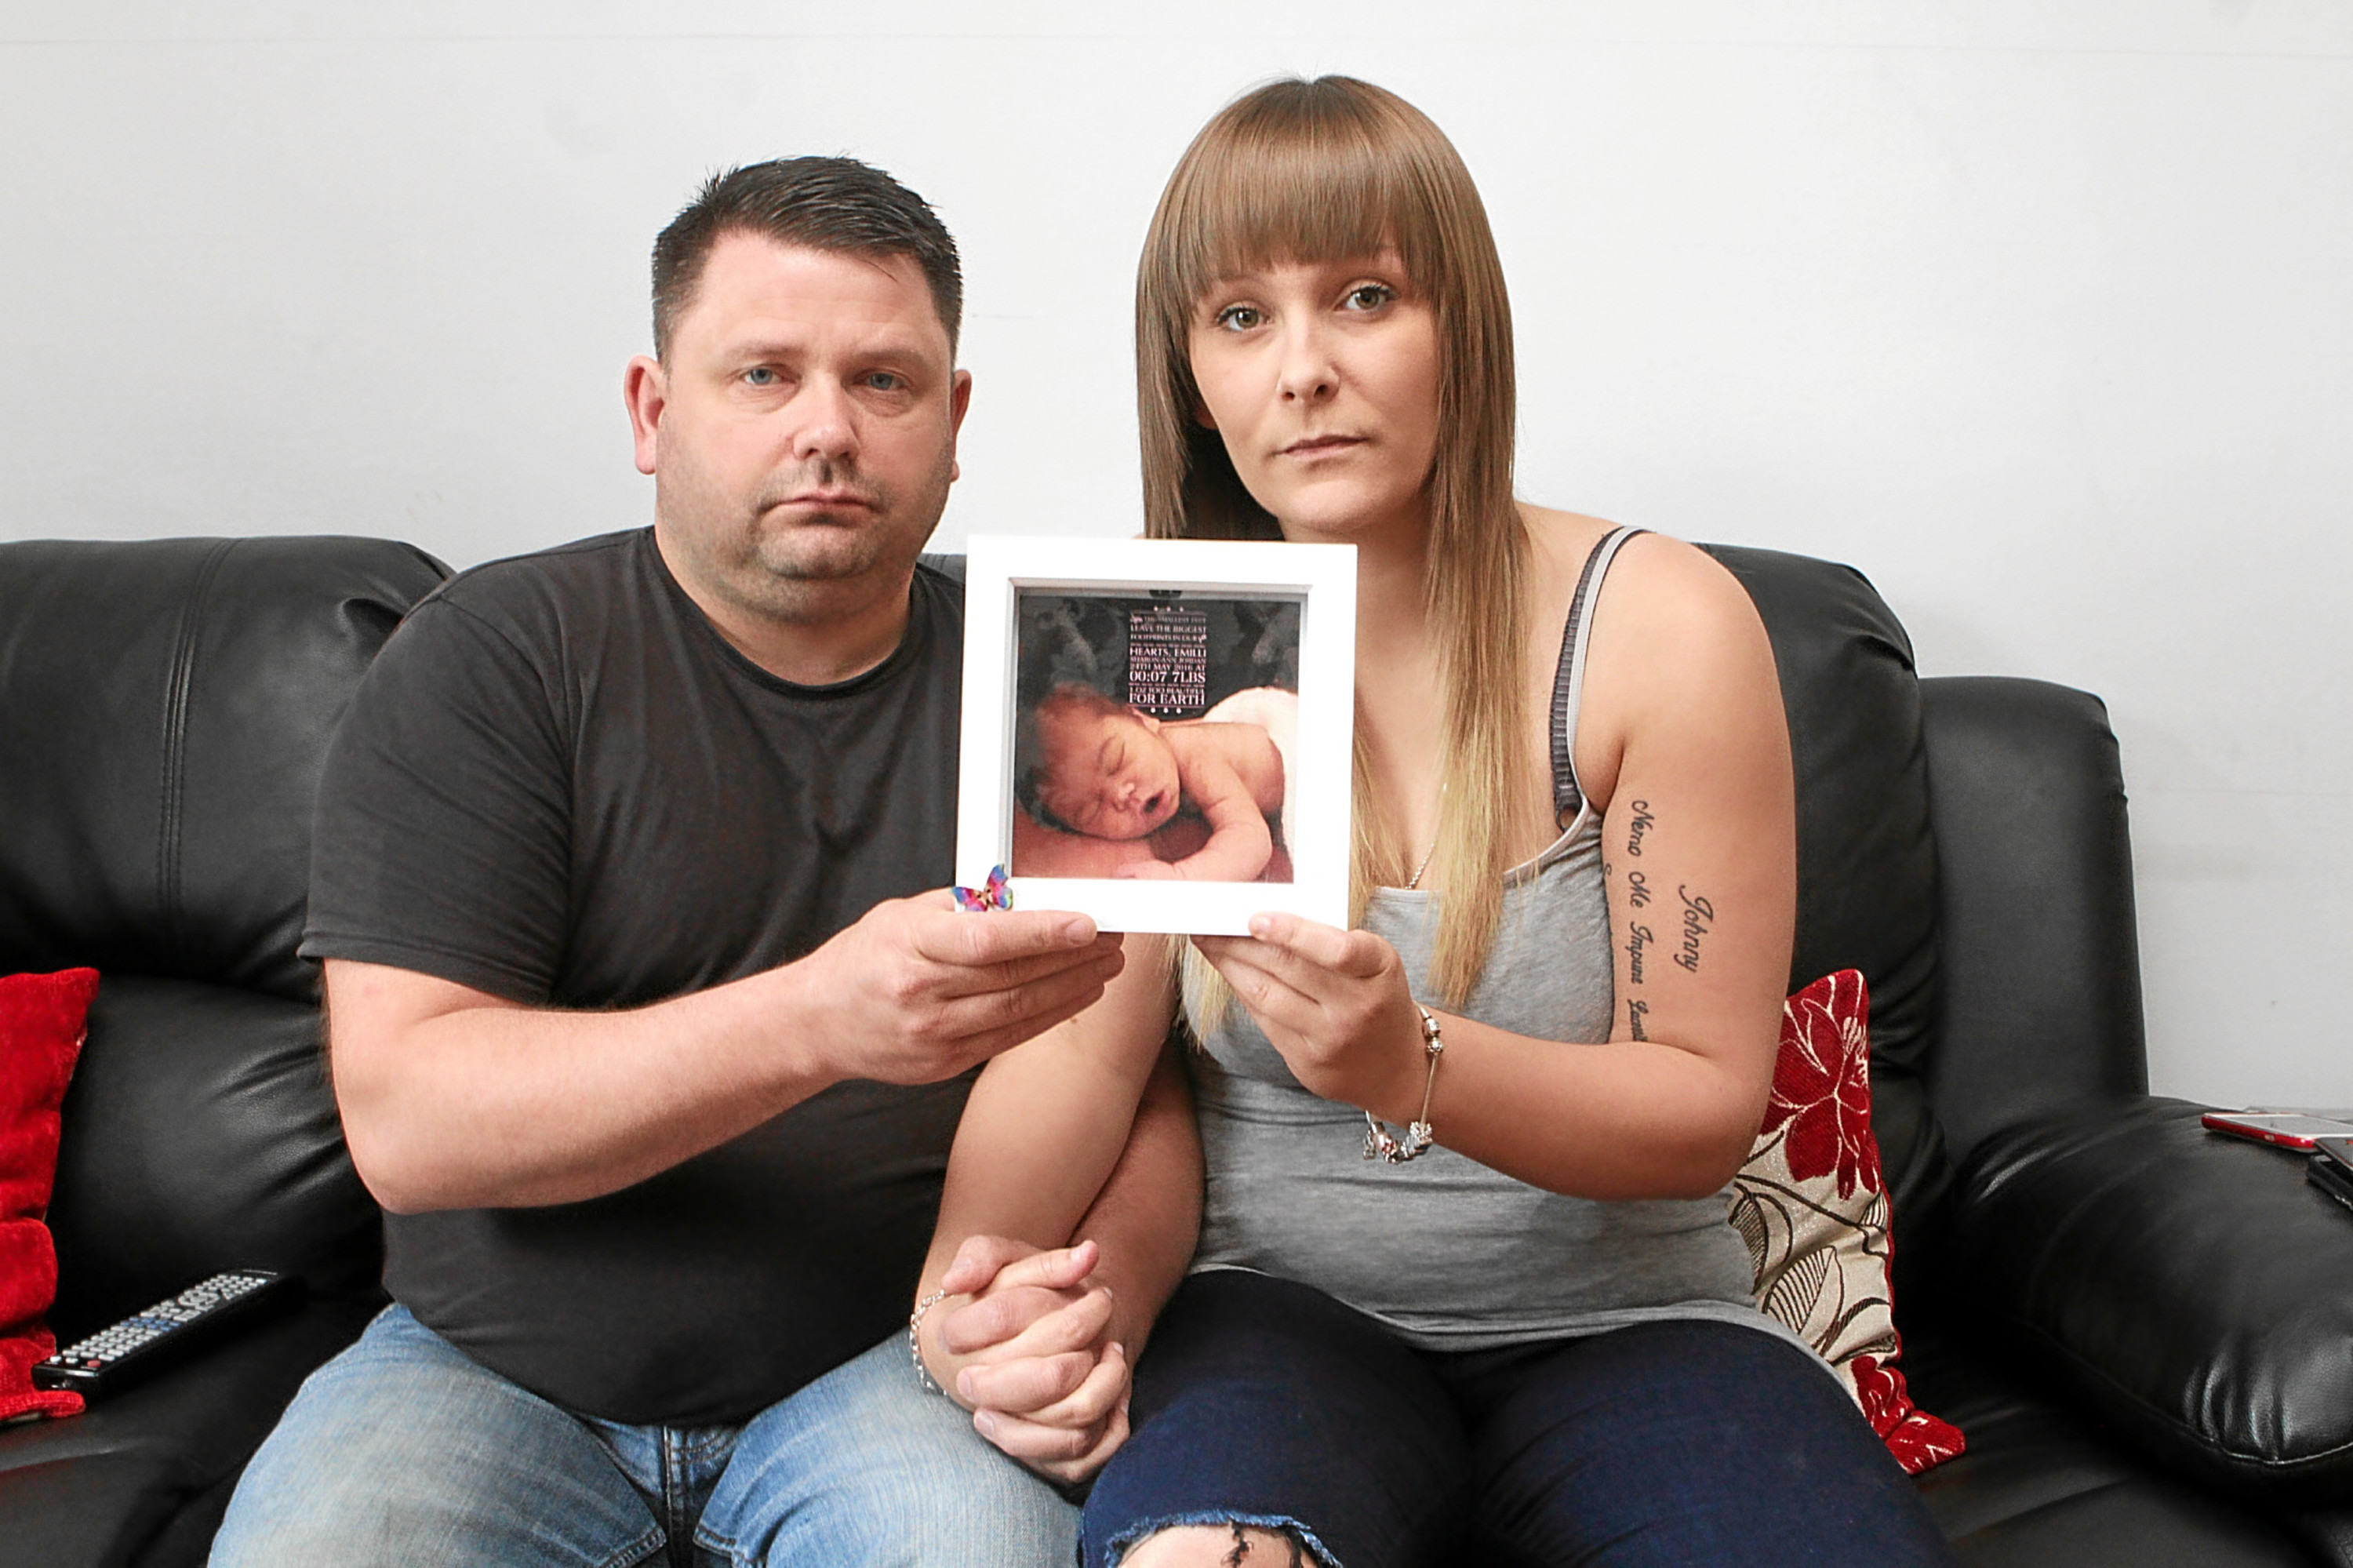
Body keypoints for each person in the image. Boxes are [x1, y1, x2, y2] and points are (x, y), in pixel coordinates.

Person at [918, 79, 1958, 1566]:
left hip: (1638, 1321)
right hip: (1278, 1320)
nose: (1305, 371)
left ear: (1461, 322)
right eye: (1239, 317)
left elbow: (1705, 1105)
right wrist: (961, 1299)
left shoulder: (1659, 623)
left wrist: (1416, 1062)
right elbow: (1078, 1045)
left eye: (1364, 296)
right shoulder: (1152, 645)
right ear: (1190, 377)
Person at [209, 157, 1198, 1568]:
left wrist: (1093, 1311)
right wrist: (817, 1019)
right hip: (494, 1372)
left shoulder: (1063, 679)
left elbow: (1145, 1091)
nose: (828, 431)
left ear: (955, 421)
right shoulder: (492, 660)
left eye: (884, 381)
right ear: (651, 410)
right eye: (761, 375)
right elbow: (409, 1120)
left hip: (896, 1372)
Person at [1013, 682, 1293, 882]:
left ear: (1143, 720)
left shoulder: (1190, 749)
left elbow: (1251, 839)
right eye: (1091, 811)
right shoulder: (1165, 795)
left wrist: (1181, 877)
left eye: (1117, 759)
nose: (1122, 794)